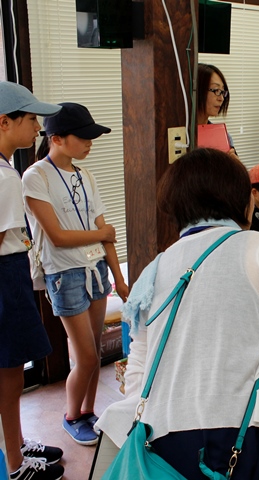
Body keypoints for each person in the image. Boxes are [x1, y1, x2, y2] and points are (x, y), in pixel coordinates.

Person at [97, 148, 259, 479]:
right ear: (242, 203)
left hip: (162, 442)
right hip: (240, 438)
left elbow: (138, 369)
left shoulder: (155, 268)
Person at [22, 102, 129, 447]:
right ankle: (71, 416)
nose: (89, 143)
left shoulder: (86, 176)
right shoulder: (35, 176)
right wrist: (103, 235)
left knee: (94, 353)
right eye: (83, 137)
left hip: (95, 268)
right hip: (64, 274)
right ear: (56, 138)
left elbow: (104, 231)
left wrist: (119, 278)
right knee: (83, 356)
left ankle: (87, 411)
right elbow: (57, 235)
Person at [0, 82, 64, 480]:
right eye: (30, 118)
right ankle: (15, 464)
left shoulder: (8, 169)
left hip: (9, 274)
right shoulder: (6, 178)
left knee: (9, 370)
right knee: (9, 373)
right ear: (4, 122)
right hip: (5, 278)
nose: (38, 127)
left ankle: (17, 442)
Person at [196, 63, 238, 158]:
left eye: (222, 92)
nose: (221, 98)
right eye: (216, 90)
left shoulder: (224, 137)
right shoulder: (180, 136)